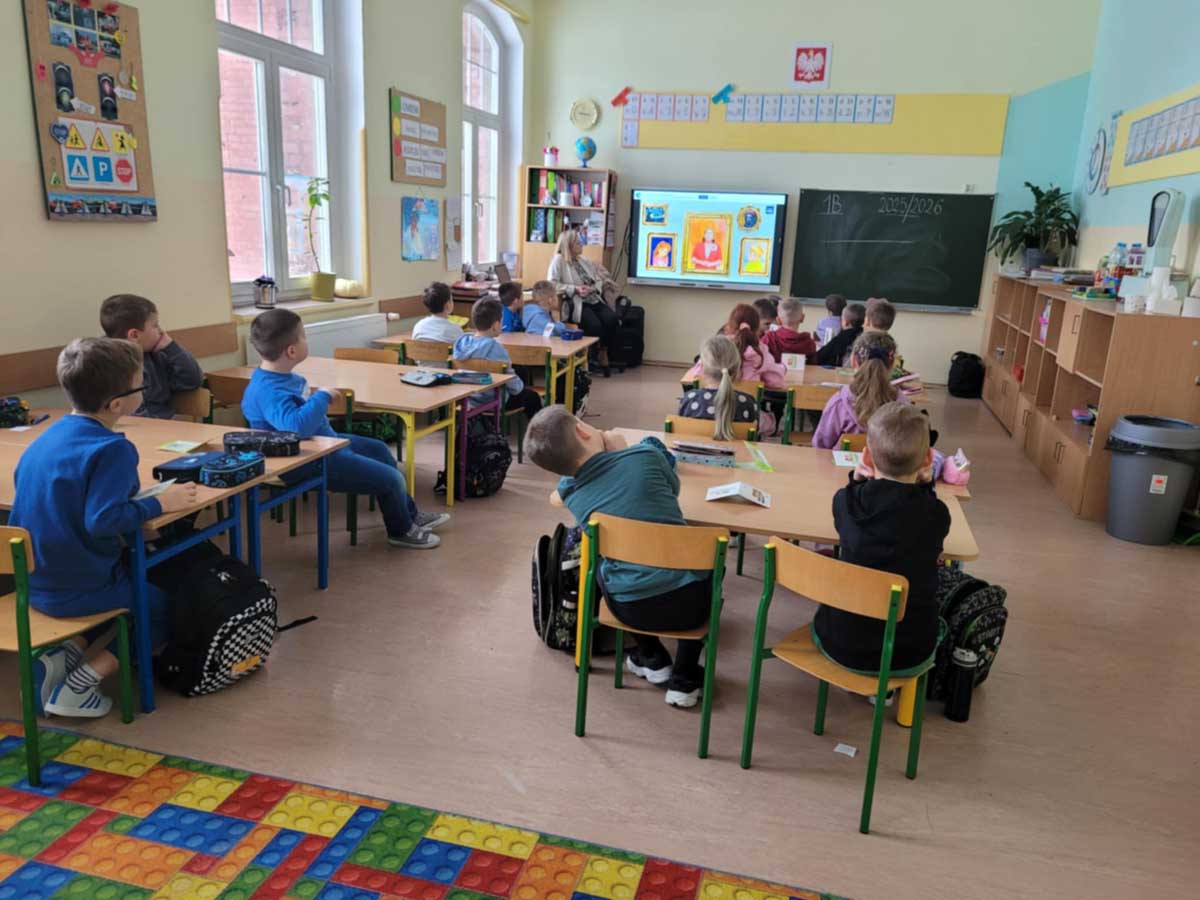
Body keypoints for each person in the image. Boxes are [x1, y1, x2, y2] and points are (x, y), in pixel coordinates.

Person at [11, 338, 196, 717]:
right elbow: (102, 520)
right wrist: (161, 503)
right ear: (116, 405)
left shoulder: (47, 437)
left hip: (32, 582)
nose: (144, 390)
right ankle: (80, 686)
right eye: (141, 385)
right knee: (159, 608)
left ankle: (64, 654)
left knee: (125, 589)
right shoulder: (113, 449)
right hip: (76, 586)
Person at [527, 406, 712, 708]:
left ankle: (652, 656)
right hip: (690, 606)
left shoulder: (571, 490)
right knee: (707, 565)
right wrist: (624, 449)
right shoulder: (645, 457)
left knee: (608, 567)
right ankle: (685, 677)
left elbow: (558, 494)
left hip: (626, 609)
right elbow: (673, 486)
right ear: (583, 431)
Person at [241, 309, 448, 549]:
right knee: (392, 479)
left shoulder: (282, 377)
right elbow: (297, 428)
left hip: (324, 444)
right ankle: (400, 530)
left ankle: (409, 514)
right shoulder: (268, 390)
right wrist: (322, 397)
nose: (306, 340)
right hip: (303, 461)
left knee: (379, 449)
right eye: (303, 336)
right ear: (291, 351)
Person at [812, 402, 949, 672]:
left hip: (841, 643)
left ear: (866, 458)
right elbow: (916, 511)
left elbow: (853, 502)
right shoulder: (937, 514)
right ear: (928, 460)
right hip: (909, 651)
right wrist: (926, 485)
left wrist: (856, 480)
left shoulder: (846, 502)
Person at [99, 294, 203, 419]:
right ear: (134, 335)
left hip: (161, 425)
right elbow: (135, 416)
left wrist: (172, 348)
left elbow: (192, 381)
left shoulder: (156, 354)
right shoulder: (109, 364)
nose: (161, 331)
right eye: (155, 325)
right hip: (136, 427)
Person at [453, 298, 542, 421]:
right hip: (492, 399)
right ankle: (535, 428)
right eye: (501, 321)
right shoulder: (496, 349)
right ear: (495, 325)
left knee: (520, 371)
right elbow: (513, 385)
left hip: (468, 397)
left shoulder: (462, 344)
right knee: (532, 397)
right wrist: (520, 388)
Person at [812, 332, 904, 449]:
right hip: (885, 461)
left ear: (853, 360)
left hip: (841, 461)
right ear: (893, 364)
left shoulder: (838, 404)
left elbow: (820, 446)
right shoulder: (903, 406)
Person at [548, 230, 620, 373]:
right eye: (578, 242)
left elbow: (598, 280)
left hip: (593, 298)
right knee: (595, 326)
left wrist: (593, 288)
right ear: (568, 245)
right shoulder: (559, 260)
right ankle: (589, 357)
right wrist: (575, 289)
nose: (581, 245)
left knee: (612, 319)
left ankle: (603, 351)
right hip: (577, 303)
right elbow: (552, 284)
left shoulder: (583, 260)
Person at [684, 304, 786, 390]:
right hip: (746, 406)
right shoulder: (760, 351)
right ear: (756, 328)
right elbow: (776, 382)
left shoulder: (716, 346)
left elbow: (696, 376)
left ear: (729, 326)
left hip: (712, 404)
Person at [678, 335, 758, 440]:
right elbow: (754, 439)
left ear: (702, 368)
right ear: (736, 370)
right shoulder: (748, 403)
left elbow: (680, 435)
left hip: (693, 450)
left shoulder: (689, 399)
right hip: (737, 451)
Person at [764, 296, 817, 362]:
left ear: (778, 320)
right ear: (802, 318)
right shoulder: (809, 343)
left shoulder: (769, 338)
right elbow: (813, 366)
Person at [814, 302, 865, 367]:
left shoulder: (841, 339)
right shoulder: (864, 336)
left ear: (845, 322)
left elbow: (819, 357)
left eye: (842, 318)